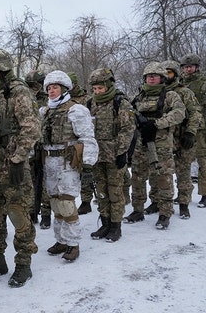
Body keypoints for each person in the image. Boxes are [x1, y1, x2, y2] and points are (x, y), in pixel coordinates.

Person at [0, 48, 39, 286]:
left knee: (17, 211)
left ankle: (24, 263)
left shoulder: (18, 91)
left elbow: (31, 127)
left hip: (11, 162)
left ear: (3, 70)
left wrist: (18, 157)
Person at [39, 70, 98, 260]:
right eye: (49, 88)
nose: (51, 91)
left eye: (55, 87)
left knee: (66, 202)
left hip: (67, 163)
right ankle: (61, 240)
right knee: (55, 203)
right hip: (49, 161)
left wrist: (87, 165)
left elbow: (88, 138)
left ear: (64, 89)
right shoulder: (45, 111)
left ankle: (73, 243)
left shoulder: (76, 110)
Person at [128, 62, 185, 229]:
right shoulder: (138, 97)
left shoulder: (170, 96)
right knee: (137, 177)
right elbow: (128, 113)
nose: (151, 78)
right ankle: (137, 210)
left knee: (164, 178)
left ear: (162, 78)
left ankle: (165, 213)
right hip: (140, 143)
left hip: (161, 144)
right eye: (148, 76)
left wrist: (156, 124)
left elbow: (179, 113)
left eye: (155, 76)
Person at [86, 68, 135, 242]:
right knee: (101, 191)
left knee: (115, 191)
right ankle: (105, 222)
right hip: (97, 155)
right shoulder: (90, 103)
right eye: (95, 88)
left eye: (101, 88)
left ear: (109, 85)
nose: (97, 91)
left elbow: (128, 129)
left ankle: (116, 226)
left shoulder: (120, 102)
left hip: (115, 155)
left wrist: (121, 152)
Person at [179, 53, 206, 208]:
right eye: (185, 67)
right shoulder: (180, 83)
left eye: (190, 66)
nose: (188, 69)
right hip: (183, 127)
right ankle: (184, 194)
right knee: (183, 162)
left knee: (203, 161)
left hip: (202, 128)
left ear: (196, 67)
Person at [162, 60, 202, 219]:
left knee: (183, 170)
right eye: (163, 73)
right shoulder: (159, 92)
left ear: (175, 74)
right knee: (162, 172)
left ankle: (184, 203)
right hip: (165, 138)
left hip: (182, 136)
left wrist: (191, 132)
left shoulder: (184, 92)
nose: (166, 76)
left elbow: (195, 113)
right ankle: (158, 201)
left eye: (169, 73)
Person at [66, 72, 95, 216]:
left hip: (86, 138)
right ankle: (82, 201)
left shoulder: (87, 99)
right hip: (72, 142)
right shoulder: (64, 99)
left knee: (87, 171)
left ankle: (88, 201)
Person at [25, 69, 51, 228]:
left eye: (37, 84)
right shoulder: (25, 97)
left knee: (45, 181)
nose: (35, 88)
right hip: (29, 145)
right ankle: (31, 212)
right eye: (31, 85)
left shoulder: (49, 100)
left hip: (44, 145)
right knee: (30, 181)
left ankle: (46, 213)